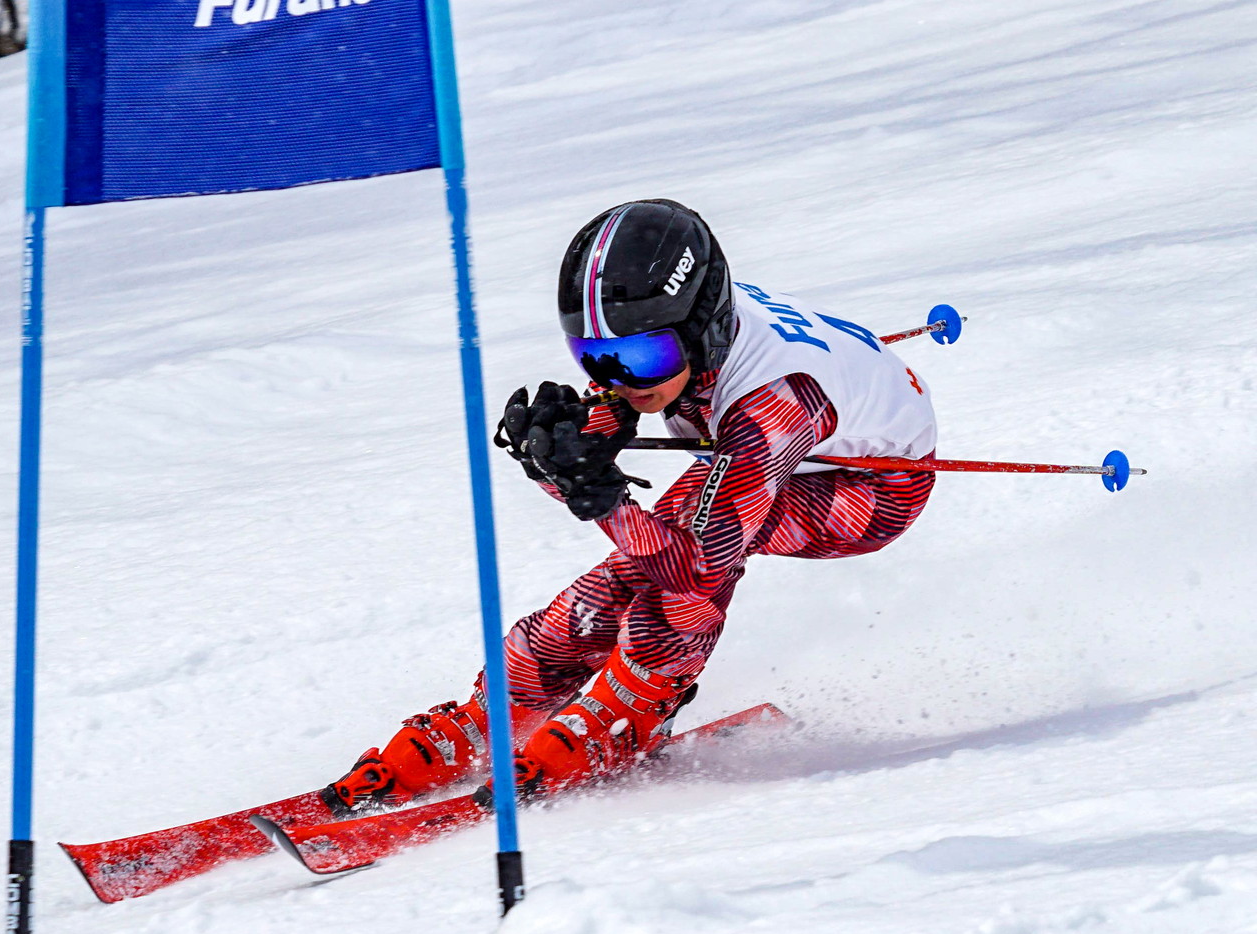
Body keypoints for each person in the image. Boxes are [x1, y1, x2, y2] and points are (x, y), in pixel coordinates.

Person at [324, 199, 937, 815]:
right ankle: (502, 710)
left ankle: (639, 706)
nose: (620, 380)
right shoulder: (662, 344)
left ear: (703, 329)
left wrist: (598, 497)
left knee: (673, 572)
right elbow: (607, 438)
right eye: (593, 357)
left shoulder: (774, 404)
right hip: (777, 437)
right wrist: (558, 459)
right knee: (632, 564)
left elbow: (698, 570)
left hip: (868, 490)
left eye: (643, 358)